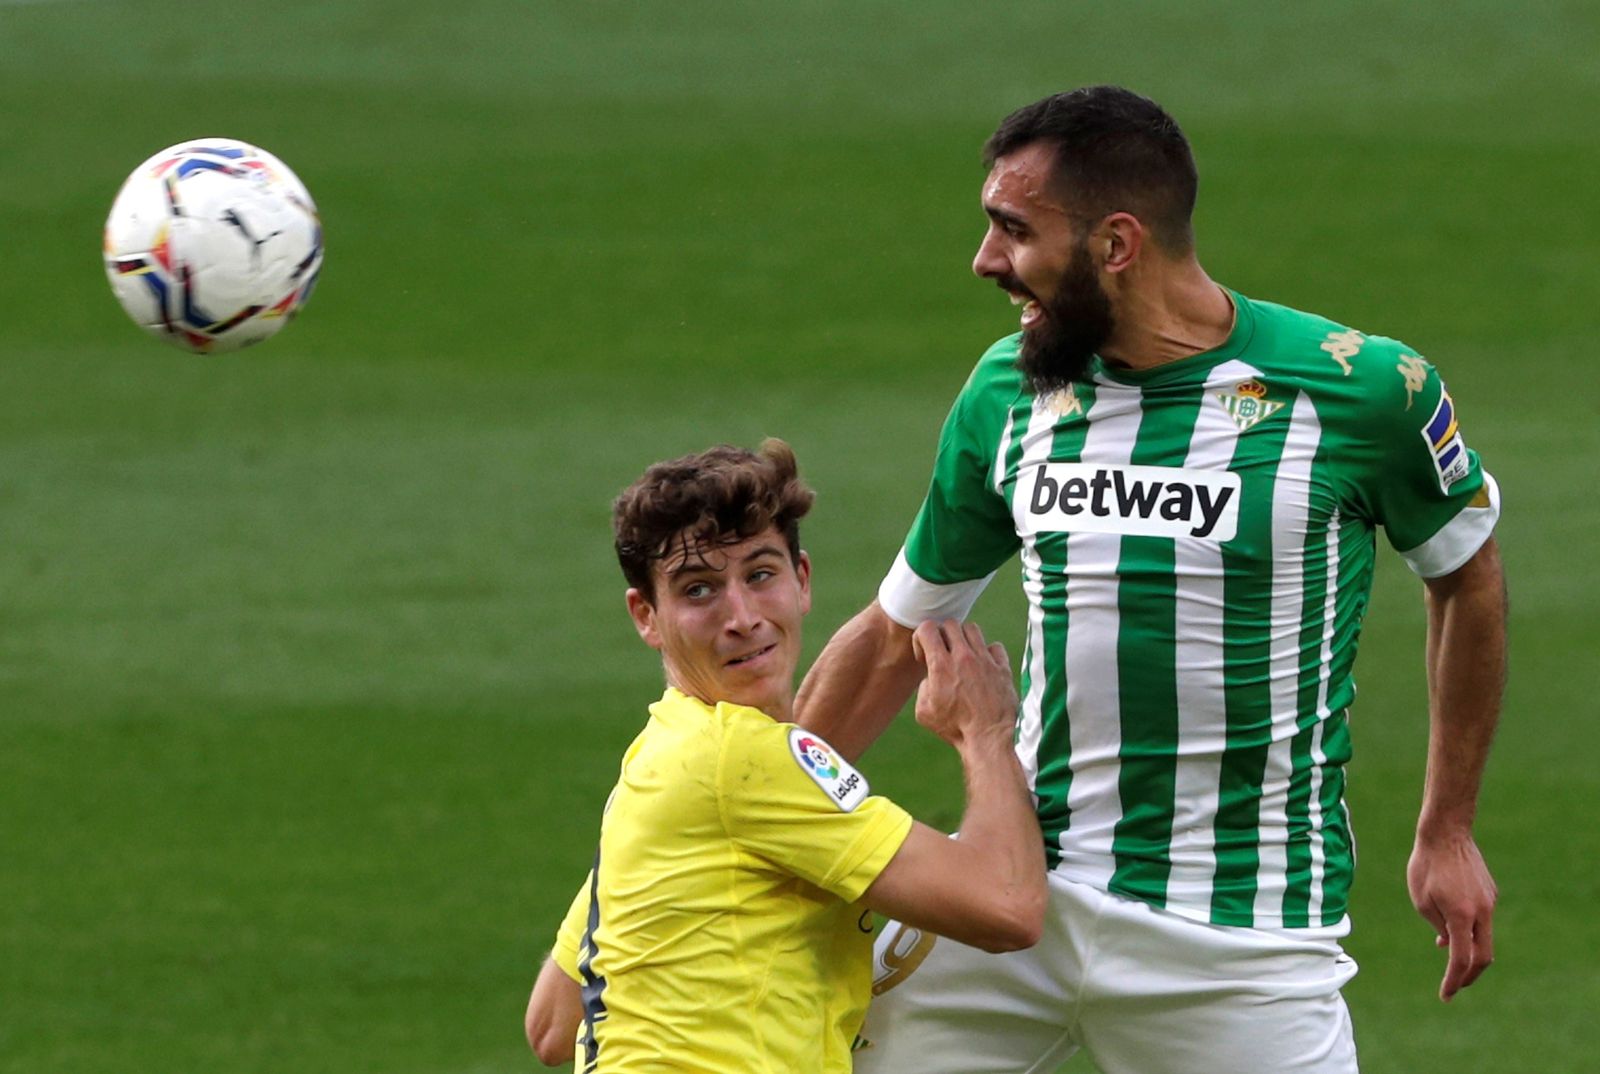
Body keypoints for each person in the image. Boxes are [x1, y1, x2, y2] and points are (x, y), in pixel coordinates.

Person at [794, 85, 1506, 1074]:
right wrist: (730, 817)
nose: (985, 261)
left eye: (1013, 229)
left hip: (1241, 940)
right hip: (1015, 900)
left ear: (1115, 245)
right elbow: (890, 635)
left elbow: (1464, 575)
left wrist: (1449, 827)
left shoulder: (1360, 389)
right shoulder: (1008, 392)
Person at [523, 440, 1047, 1072]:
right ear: (646, 616)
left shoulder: (656, 763)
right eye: (699, 590)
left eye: (760, 574)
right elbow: (1008, 906)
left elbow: (553, 1025)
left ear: (802, 580)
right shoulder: (744, 761)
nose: (742, 616)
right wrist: (984, 734)